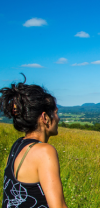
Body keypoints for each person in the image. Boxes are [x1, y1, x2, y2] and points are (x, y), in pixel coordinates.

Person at [0, 73, 67, 208]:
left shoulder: (17, 146)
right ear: (45, 117)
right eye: (55, 113)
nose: (58, 118)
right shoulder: (44, 151)